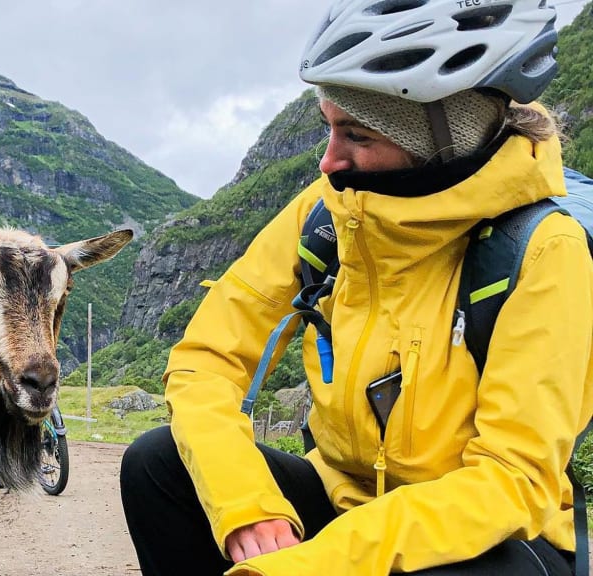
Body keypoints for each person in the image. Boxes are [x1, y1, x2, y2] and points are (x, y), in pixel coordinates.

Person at [119, 1, 593, 575]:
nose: (328, 161)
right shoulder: (329, 212)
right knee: (157, 463)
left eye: (357, 134)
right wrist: (245, 504)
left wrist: (310, 565)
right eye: (328, 127)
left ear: (441, 137)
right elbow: (207, 359)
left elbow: (511, 480)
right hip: (344, 497)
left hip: (486, 530)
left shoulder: (544, 251)